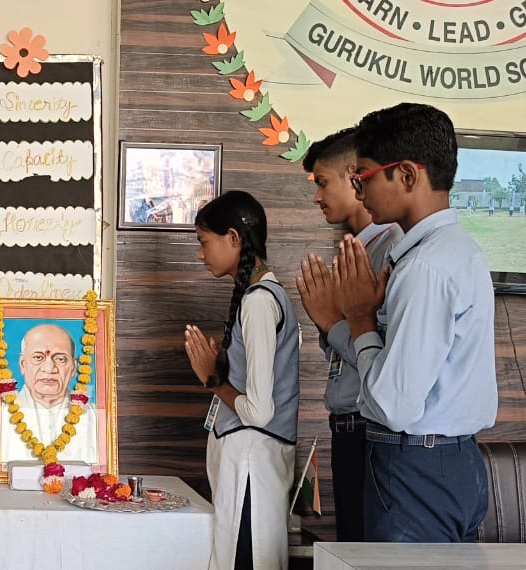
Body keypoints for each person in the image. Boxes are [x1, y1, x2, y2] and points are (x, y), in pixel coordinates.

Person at [334, 102, 497, 542]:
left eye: (363, 176)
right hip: (456, 462)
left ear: (406, 175)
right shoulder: (460, 250)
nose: (359, 190)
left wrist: (360, 320)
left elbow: (393, 406)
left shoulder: (425, 267)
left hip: (415, 469)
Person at [296, 127, 403, 542]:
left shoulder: (390, 250)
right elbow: (344, 350)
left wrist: (330, 324)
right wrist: (332, 328)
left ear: (355, 176)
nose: (317, 197)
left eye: (323, 183)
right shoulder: (355, 247)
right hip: (347, 424)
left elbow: (379, 351)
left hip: (368, 426)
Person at [183, 191, 299, 570]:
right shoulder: (259, 295)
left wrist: (213, 379)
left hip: (252, 461)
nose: (201, 255)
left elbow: (259, 411)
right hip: (249, 458)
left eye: (204, 242)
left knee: (244, 558)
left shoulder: (259, 302)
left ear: (233, 238)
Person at [0, 323, 99, 465]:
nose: (49, 368)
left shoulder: (95, 417)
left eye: (60, 359)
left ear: (73, 367)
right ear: (22, 364)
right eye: (38, 357)